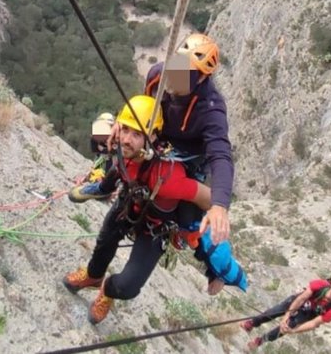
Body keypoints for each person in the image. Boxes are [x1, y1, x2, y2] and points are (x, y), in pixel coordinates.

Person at [69, 33, 235, 293]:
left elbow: (220, 154)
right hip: (153, 140)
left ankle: (213, 269)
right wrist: (125, 126)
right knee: (127, 159)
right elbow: (145, 108)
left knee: (191, 216)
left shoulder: (210, 110)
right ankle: (104, 187)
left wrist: (220, 205)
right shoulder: (160, 76)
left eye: (186, 73)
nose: (175, 77)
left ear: (201, 78)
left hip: (186, 159)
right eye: (177, 65)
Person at [63, 95, 246, 325]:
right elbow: (117, 171)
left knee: (128, 287)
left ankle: (108, 290)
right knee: (104, 244)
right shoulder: (123, 151)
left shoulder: (169, 177)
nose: (127, 140)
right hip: (127, 207)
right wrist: (100, 188)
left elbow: (207, 199)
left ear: (151, 137)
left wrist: (217, 213)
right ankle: (92, 276)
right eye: (125, 130)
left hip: (155, 228)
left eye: (136, 134)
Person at [240, 274, 331, 350]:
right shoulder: (321, 285)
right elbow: (301, 298)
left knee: (286, 328)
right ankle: (252, 323)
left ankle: (260, 340)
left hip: (307, 314)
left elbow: (314, 323)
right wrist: (286, 315)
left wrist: (293, 331)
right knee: (274, 312)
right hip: (297, 301)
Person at [85, 112, 115, 184]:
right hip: (101, 163)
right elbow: (95, 149)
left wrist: (104, 149)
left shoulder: (115, 138)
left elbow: (114, 151)